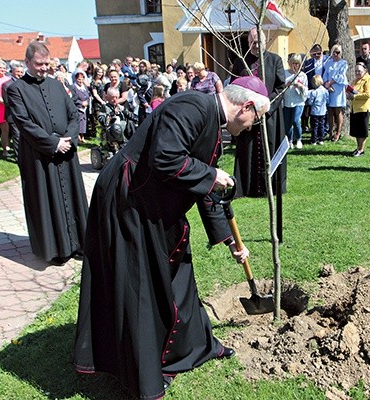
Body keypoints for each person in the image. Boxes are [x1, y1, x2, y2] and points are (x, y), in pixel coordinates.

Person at [73, 76, 268, 400]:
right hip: (127, 202)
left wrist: (227, 238)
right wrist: (211, 175)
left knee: (180, 271)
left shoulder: (213, 126)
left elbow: (207, 191)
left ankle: (196, 347)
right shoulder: (192, 106)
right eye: (254, 121)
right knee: (139, 286)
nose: (251, 128)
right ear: (246, 107)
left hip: (151, 202)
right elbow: (166, 158)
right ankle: (144, 376)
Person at [6, 42, 88, 265]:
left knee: (72, 196)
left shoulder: (56, 85)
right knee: (47, 199)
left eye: (46, 64)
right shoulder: (16, 90)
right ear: (27, 63)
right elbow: (23, 123)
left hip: (66, 151)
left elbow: (73, 113)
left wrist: (68, 139)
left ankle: (79, 243)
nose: (43, 68)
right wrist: (53, 143)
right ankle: (56, 249)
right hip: (39, 154)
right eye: (39, 64)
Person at [230, 27, 286, 197]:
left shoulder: (275, 60)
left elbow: (281, 88)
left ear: (264, 41)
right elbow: (233, 87)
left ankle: (271, 187)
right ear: (248, 43)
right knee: (247, 150)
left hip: (270, 116)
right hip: (247, 115)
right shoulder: (241, 61)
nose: (256, 45)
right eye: (252, 42)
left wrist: (266, 108)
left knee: (270, 147)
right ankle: (248, 188)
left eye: (258, 41)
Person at [323, 44, 349, 142]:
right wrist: (327, 84)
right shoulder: (328, 63)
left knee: (337, 110)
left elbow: (341, 76)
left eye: (337, 52)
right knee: (330, 110)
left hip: (338, 88)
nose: (335, 54)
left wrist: (331, 83)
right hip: (329, 88)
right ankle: (330, 131)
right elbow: (325, 74)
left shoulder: (343, 63)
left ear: (340, 53)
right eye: (334, 52)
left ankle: (338, 132)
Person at [348, 63, 370, 157]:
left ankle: (361, 150)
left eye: (359, 71)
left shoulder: (369, 79)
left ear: (365, 71)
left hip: (363, 108)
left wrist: (355, 96)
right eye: (356, 71)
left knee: (362, 131)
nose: (357, 73)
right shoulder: (355, 80)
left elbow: (368, 94)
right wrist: (349, 95)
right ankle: (358, 148)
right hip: (355, 108)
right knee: (357, 131)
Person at [302, 44, 329, 133]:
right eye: (314, 54)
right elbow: (305, 74)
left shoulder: (327, 60)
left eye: (319, 53)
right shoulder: (308, 62)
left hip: (323, 87)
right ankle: (306, 126)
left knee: (324, 109)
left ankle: (324, 128)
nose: (317, 56)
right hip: (311, 87)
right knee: (308, 108)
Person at [283, 53, 308, 149]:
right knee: (287, 123)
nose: (295, 66)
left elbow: (306, 91)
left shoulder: (302, 75)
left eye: (297, 64)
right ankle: (289, 140)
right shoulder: (285, 73)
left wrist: (300, 86)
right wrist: (286, 85)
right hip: (287, 101)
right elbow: (281, 86)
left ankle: (298, 139)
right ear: (290, 63)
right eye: (293, 63)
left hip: (298, 101)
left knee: (296, 120)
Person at [2, 62, 25, 162]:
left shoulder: (25, 83)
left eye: (21, 72)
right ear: (12, 72)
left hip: (25, 115)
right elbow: (7, 102)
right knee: (17, 136)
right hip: (13, 114)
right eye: (18, 72)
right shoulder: (6, 85)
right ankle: (19, 157)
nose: (20, 74)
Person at [307, 74, 329, 145]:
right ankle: (321, 139)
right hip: (323, 112)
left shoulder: (314, 92)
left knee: (314, 126)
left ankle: (313, 140)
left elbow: (310, 102)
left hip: (315, 112)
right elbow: (327, 101)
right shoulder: (325, 91)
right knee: (321, 125)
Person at [71, 71, 90, 143]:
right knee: (78, 122)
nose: (81, 81)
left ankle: (82, 137)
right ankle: (78, 137)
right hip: (77, 108)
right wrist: (81, 103)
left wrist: (87, 102)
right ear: (76, 79)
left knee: (83, 122)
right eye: (79, 79)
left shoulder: (84, 87)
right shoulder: (73, 87)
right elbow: (73, 98)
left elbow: (88, 96)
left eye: (82, 79)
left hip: (84, 108)